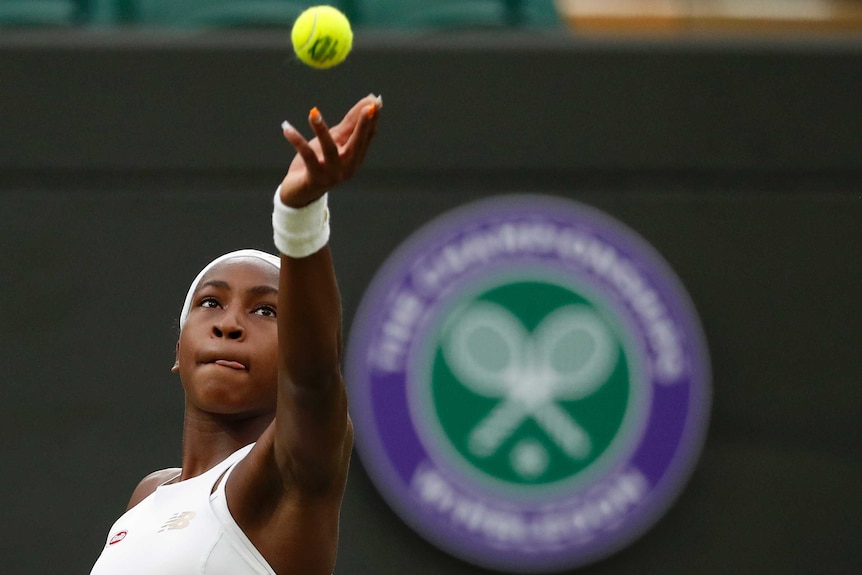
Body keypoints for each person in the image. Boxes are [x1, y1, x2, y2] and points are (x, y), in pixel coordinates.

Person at [89, 93, 383, 575]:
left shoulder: (286, 472)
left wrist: (299, 218)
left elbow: (313, 379)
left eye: (266, 311)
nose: (229, 323)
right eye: (210, 302)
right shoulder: (148, 496)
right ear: (178, 349)